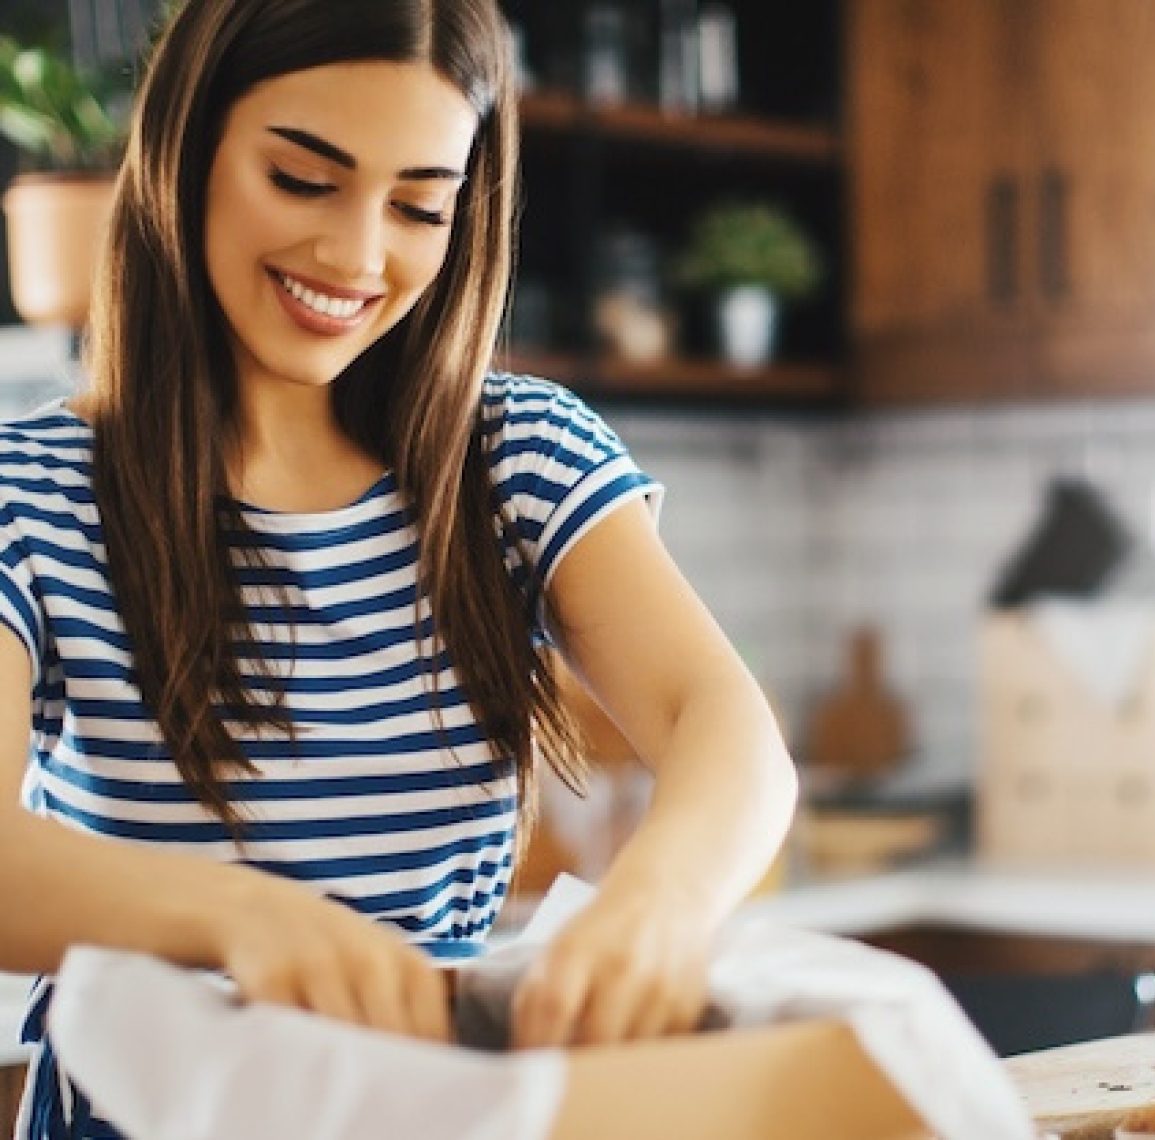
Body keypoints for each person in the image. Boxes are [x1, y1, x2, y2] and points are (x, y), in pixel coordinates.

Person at [0, 1, 798, 1134]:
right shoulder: (32, 494)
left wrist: (655, 905)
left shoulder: (515, 461)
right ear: (184, 150)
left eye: (419, 204)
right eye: (303, 179)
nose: (357, 254)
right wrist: (242, 917)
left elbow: (727, 731)